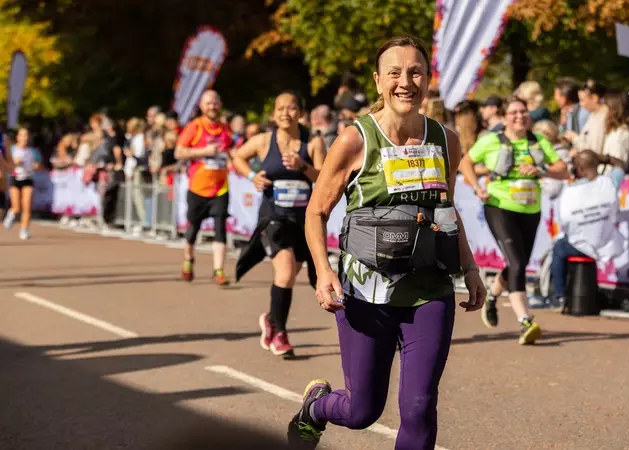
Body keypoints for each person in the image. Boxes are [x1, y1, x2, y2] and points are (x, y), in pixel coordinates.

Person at [290, 36, 486, 449]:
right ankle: (316, 407)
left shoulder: (446, 140)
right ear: (378, 81)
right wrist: (324, 271)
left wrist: (469, 268)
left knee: (418, 406)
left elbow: (446, 211)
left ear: (428, 79)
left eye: (415, 72)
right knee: (362, 411)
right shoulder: (355, 139)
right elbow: (315, 212)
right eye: (394, 73)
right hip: (365, 290)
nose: (405, 82)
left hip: (429, 289)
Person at [459, 96, 568, 342]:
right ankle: (525, 321)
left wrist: (542, 170)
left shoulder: (538, 141)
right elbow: (465, 161)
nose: (519, 116)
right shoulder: (490, 140)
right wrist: (477, 187)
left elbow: (564, 171)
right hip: (500, 206)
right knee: (518, 263)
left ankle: (493, 297)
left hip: (530, 209)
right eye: (514, 113)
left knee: (516, 264)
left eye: (523, 112)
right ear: (505, 116)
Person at [233, 91, 326, 358]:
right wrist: (252, 176)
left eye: (292, 107)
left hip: (302, 221)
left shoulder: (314, 143)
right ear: (274, 114)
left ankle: (272, 320)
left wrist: (302, 166)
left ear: (301, 112)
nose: (286, 112)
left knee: (288, 276)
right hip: (273, 217)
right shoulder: (263, 141)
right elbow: (237, 157)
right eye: (280, 108)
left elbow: (323, 176)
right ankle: (281, 334)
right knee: (285, 272)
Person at [552, 150, 627, 307]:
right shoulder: (610, 182)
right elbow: (620, 165)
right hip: (606, 242)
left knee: (559, 248)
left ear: (579, 169)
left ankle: (559, 295)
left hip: (581, 245)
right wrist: (605, 158)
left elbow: (565, 222)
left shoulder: (571, 190)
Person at [175, 90, 234, 286]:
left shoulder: (225, 128)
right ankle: (188, 259)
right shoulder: (195, 126)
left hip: (220, 187)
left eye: (215, 103)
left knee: (220, 229)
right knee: (194, 228)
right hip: (198, 187)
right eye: (209, 103)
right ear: (201, 106)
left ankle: (219, 271)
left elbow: (230, 151)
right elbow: (179, 152)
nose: (213, 107)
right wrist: (204, 151)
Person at [3, 128, 42, 239]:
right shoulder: (12, 149)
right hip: (15, 178)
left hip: (28, 179)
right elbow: (7, 164)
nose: (24, 138)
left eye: (26, 135)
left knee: (27, 205)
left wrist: (36, 166)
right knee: (17, 207)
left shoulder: (33, 151)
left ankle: (24, 229)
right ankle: (12, 214)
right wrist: (14, 163)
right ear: (18, 137)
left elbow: (38, 164)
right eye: (22, 135)